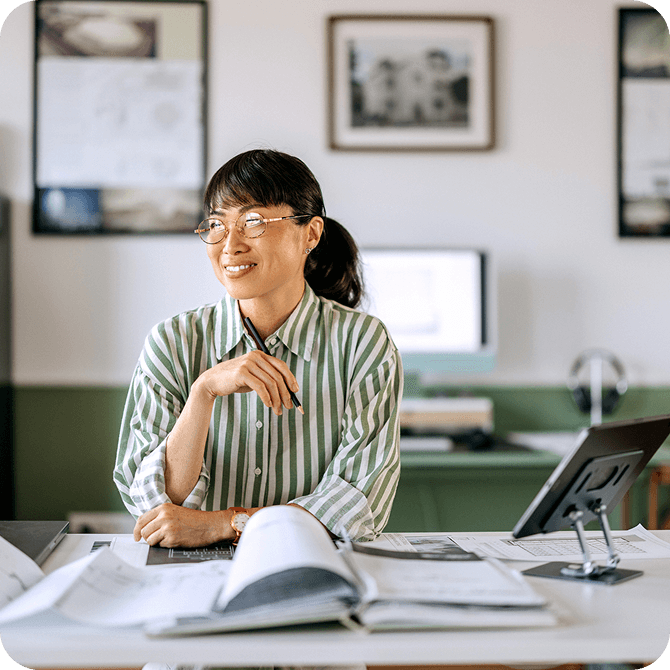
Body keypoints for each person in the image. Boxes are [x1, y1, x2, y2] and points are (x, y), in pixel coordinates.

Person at [114, 148, 403, 548]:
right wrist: (204, 391)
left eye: (252, 222)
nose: (229, 245)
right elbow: (156, 505)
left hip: (313, 564)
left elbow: (356, 504)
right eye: (216, 224)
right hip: (190, 573)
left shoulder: (363, 344)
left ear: (311, 234)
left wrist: (226, 524)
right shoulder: (172, 342)